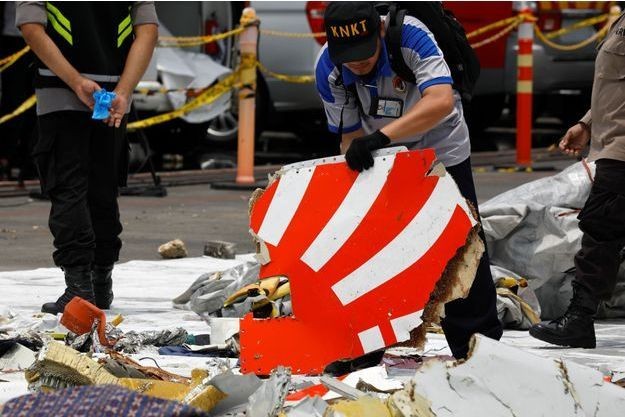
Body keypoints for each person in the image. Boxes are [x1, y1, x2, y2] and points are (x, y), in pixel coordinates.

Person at [314, 2, 502, 361]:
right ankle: (366, 347)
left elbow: (441, 100)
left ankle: (479, 350)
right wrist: (362, 155)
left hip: (441, 148)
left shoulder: (411, 36)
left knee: (460, 248)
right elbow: (349, 137)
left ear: (380, 31)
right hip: (382, 158)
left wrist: (383, 137)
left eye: (365, 52)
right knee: (368, 248)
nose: (357, 62)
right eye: (348, 55)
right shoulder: (329, 67)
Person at [16, 1, 159, 314]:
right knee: (103, 186)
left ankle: (80, 289)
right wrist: (124, 90)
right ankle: (100, 282)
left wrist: (75, 81)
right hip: (113, 97)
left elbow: (30, 26)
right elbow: (147, 30)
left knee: (68, 187)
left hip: (60, 91)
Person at [530, 10, 625, 349]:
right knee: (605, 232)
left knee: (601, 230)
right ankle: (579, 320)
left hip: (622, 150)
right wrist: (587, 124)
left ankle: (580, 320)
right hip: (612, 143)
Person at [0, 2, 36, 182]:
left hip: (40, 38)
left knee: (35, 103)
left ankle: (29, 161)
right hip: (12, 40)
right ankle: (6, 157)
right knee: (12, 103)